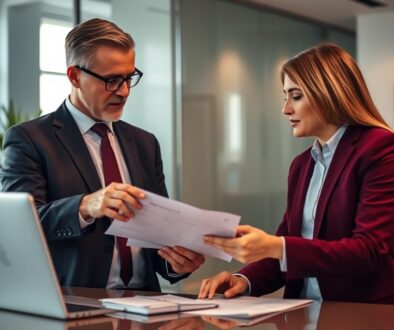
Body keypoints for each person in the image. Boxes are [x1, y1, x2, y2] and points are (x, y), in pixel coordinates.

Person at [0, 18, 204, 290]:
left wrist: (175, 263)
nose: (124, 91)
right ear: (74, 76)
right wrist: (85, 205)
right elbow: (21, 228)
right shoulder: (29, 139)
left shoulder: (145, 143)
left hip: (146, 308)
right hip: (75, 306)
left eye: (129, 77)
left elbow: (157, 237)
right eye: (111, 80)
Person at [198, 43, 394, 303]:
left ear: (329, 93)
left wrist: (276, 246)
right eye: (285, 96)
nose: (286, 109)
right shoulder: (302, 165)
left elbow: (369, 252)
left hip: (358, 315)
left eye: (296, 96)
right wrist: (242, 280)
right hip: (302, 316)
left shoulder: (380, 148)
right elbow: (289, 250)